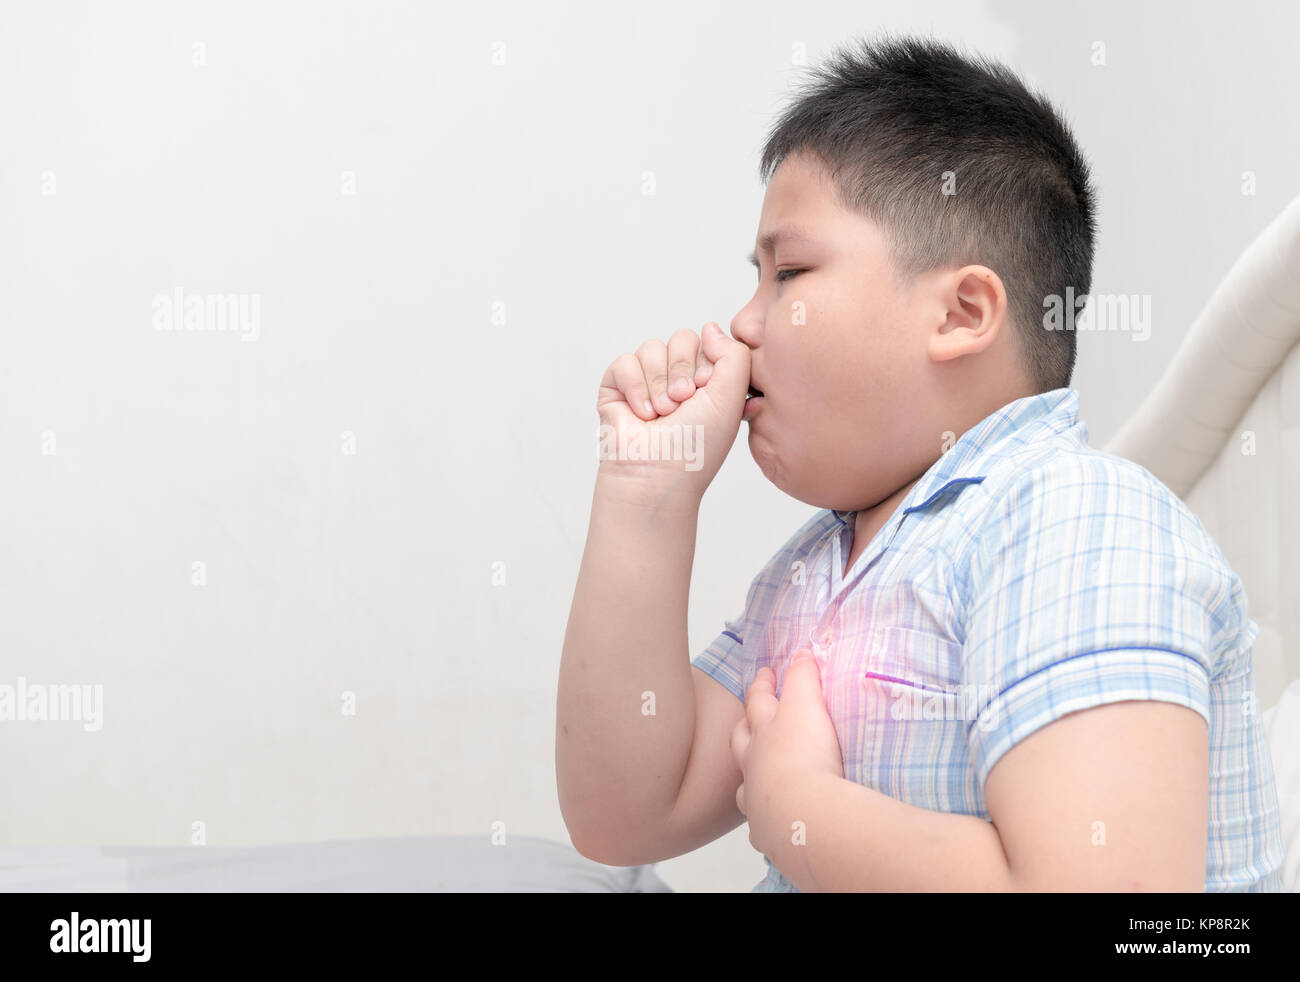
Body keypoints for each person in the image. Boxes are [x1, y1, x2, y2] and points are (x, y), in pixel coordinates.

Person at [556, 34, 1286, 892]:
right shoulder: (816, 569)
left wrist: (800, 809)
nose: (743, 325)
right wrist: (648, 494)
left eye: (787, 272)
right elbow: (626, 813)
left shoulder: (1074, 519)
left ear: (962, 313)